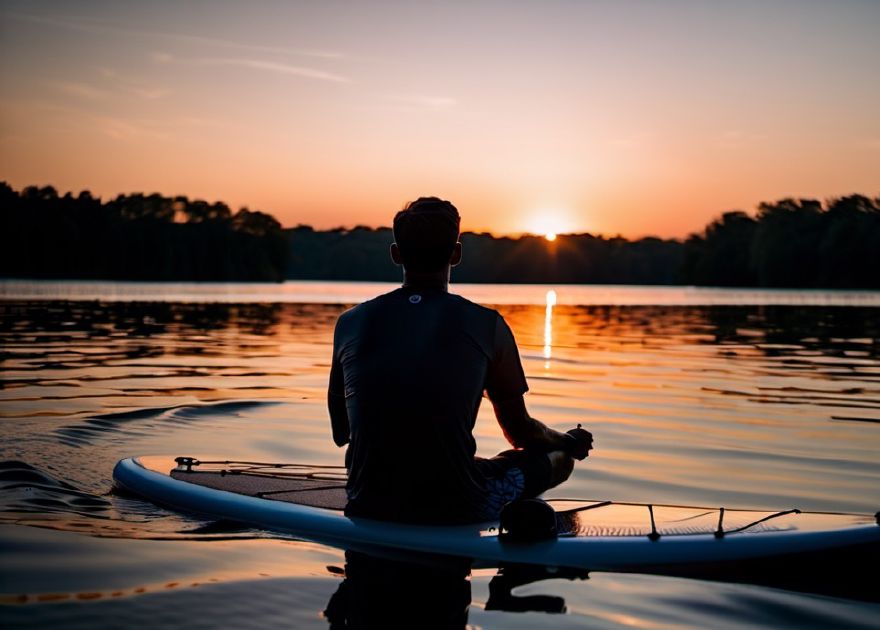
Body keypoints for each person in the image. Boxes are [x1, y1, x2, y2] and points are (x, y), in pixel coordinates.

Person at [328, 197, 592, 523]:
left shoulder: (350, 322)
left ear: (396, 254)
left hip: (367, 500)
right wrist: (568, 441)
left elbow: (342, 431)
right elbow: (521, 434)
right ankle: (542, 531)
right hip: (456, 505)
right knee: (560, 458)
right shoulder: (487, 325)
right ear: (456, 253)